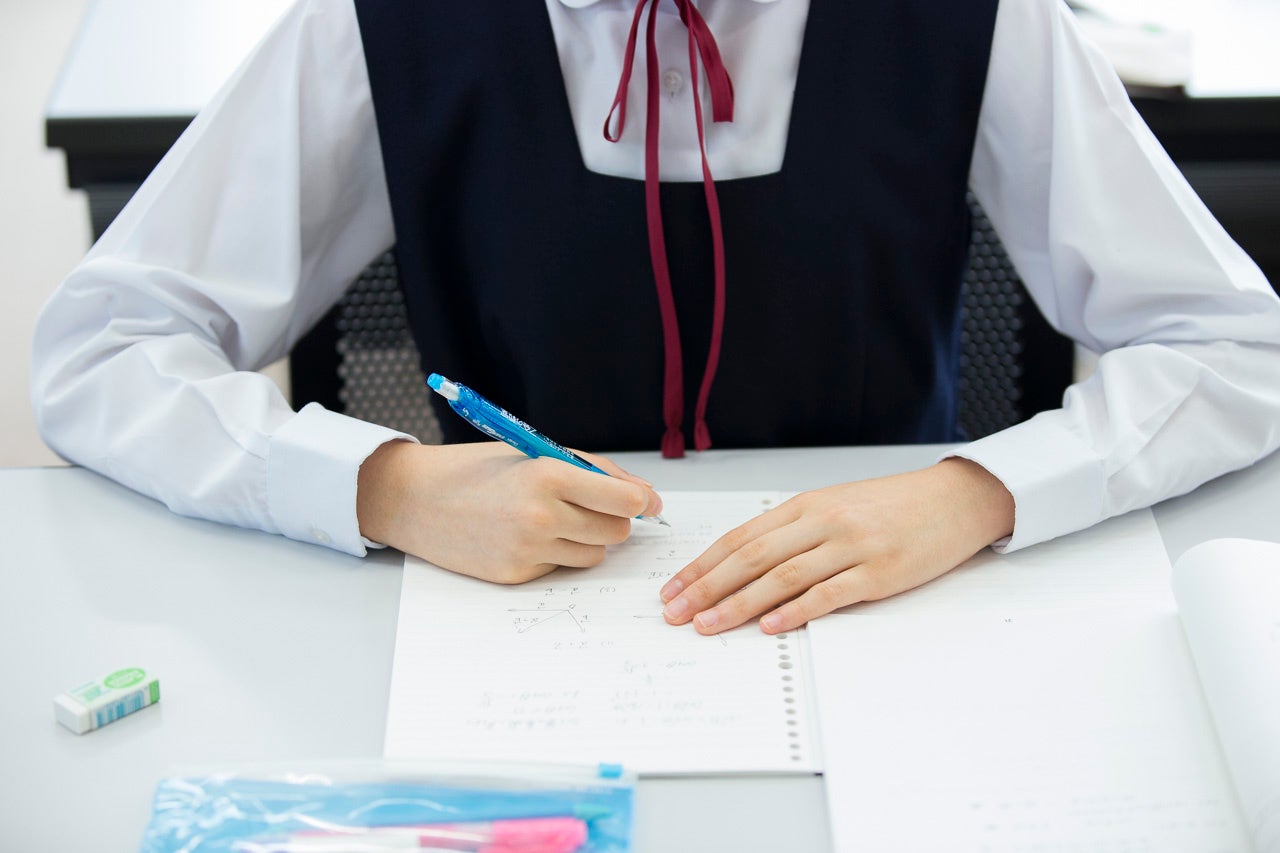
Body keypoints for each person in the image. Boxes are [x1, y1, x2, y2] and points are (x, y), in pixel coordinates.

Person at [31, 0, 1280, 638]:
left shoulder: (982, 16)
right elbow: (102, 351)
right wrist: (384, 486)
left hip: (893, 606)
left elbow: (1236, 346)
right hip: (502, 617)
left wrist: (976, 493)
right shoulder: (372, 22)